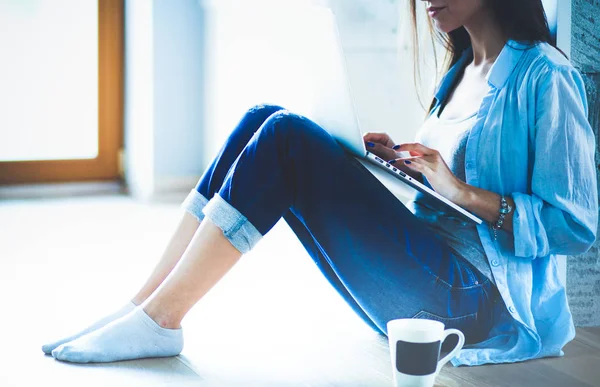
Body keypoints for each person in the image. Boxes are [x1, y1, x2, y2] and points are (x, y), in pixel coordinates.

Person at [42, 0, 597, 366]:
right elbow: (446, 192)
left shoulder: (547, 77)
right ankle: (145, 306)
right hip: (432, 281)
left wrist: (457, 189)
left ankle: (161, 320)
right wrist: (410, 168)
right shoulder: (459, 72)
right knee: (262, 117)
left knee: (285, 136)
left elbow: (576, 225)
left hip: (478, 303)